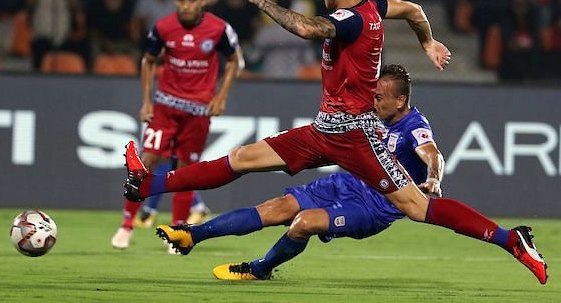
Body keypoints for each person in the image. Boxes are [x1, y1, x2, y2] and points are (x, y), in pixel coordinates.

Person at [122, 0, 548, 284]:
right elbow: (415, 10)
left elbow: (307, 28)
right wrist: (428, 43)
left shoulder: (350, 19)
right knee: (244, 158)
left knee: (418, 208)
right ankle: (148, 186)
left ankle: (513, 241)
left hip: (357, 137)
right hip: (324, 130)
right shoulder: (377, 5)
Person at [156, 64, 445, 280]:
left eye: (380, 97)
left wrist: (432, 178)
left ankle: (260, 269)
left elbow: (432, 153)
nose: (373, 102)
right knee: (277, 208)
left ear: (400, 101)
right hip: (347, 183)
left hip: (377, 206)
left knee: (303, 222)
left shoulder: (414, 125)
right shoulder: (371, 113)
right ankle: (192, 235)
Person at [111, 0, 244, 250]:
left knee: (186, 171)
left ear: (202, 1)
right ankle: (126, 226)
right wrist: (146, 101)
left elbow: (235, 61)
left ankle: (177, 232)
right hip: (165, 107)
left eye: (192, 0)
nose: (185, 6)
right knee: (145, 163)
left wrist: (221, 96)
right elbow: (147, 61)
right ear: (175, 0)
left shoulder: (219, 29)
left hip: (198, 112)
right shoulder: (163, 28)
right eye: (181, 0)